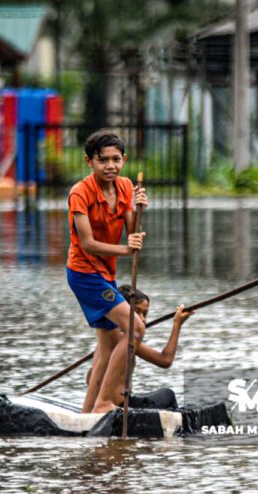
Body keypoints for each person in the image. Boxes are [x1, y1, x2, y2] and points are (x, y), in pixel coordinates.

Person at [67, 129, 148, 414]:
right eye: (103, 160)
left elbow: (132, 232)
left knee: (108, 344)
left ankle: (87, 413)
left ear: (124, 159)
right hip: (85, 273)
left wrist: (139, 210)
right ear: (90, 162)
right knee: (136, 328)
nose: (111, 166)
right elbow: (88, 244)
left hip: (106, 274)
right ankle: (104, 402)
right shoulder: (80, 192)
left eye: (116, 159)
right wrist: (127, 250)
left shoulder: (125, 187)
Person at [85, 285, 194, 410]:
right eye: (136, 312)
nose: (142, 319)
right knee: (167, 395)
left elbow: (89, 378)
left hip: (116, 403)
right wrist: (177, 324)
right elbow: (165, 360)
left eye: (145, 314)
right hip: (119, 407)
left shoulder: (104, 340)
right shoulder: (122, 339)